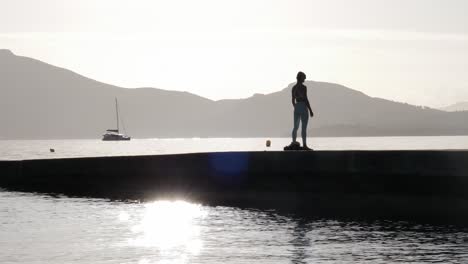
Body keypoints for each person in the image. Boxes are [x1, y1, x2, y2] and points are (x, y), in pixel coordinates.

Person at [291, 71, 313, 150]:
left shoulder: (294, 87)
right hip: (303, 106)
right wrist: (310, 110)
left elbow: (293, 100)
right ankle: (304, 145)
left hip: (297, 106)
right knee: (304, 127)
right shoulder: (304, 87)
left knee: (295, 127)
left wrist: (295, 107)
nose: (305, 79)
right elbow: (306, 99)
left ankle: (293, 142)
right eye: (304, 77)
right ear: (301, 78)